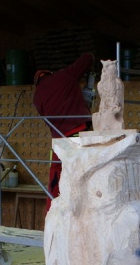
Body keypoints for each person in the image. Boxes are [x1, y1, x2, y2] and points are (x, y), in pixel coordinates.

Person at [32, 52, 95, 211]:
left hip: (60, 140)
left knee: (56, 176)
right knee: (83, 176)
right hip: (81, 132)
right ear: (50, 74)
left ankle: (51, 214)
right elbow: (88, 57)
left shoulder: (37, 97)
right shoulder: (65, 75)